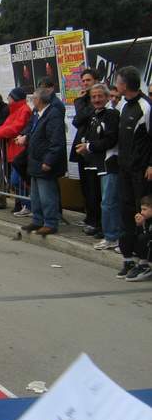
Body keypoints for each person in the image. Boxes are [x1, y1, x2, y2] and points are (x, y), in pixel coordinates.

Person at [114, 66, 152, 279]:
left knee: (142, 215)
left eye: (118, 82)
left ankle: (144, 261)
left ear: (125, 85)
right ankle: (128, 259)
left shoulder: (145, 107)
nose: (116, 85)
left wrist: (150, 165)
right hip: (124, 170)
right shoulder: (122, 105)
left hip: (141, 171)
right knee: (126, 213)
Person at [74, 83, 121, 251]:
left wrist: (89, 147)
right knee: (105, 202)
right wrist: (85, 146)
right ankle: (111, 236)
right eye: (93, 97)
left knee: (109, 203)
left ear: (107, 97)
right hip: (99, 164)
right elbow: (90, 135)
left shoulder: (112, 115)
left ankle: (113, 237)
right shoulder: (95, 115)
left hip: (111, 164)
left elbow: (110, 140)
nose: (97, 100)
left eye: (100, 96)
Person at [21, 87, 67, 235]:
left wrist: (49, 161)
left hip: (44, 161)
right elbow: (31, 129)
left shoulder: (53, 115)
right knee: (35, 195)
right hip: (34, 160)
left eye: (33, 98)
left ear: (39, 100)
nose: (32, 101)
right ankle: (37, 220)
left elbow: (56, 141)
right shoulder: (37, 113)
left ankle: (50, 222)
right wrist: (25, 137)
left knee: (47, 195)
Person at [70, 69, 102, 235]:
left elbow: (84, 116)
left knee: (94, 188)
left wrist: (86, 101)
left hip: (94, 149)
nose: (85, 83)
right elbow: (77, 120)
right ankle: (90, 216)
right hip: (82, 148)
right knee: (85, 186)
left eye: (88, 80)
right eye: (83, 81)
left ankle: (96, 220)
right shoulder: (82, 100)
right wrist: (82, 99)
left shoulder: (97, 100)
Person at [0, 88, 33, 216]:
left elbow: (15, 128)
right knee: (16, 181)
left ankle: (30, 205)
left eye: (9, 97)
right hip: (13, 150)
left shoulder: (24, 110)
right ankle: (26, 205)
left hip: (20, 150)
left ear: (15, 98)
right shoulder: (14, 110)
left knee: (18, 180)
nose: (8, 99)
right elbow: (6, 126)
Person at [122, 195, 152, 281]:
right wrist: (139, 225)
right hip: (145, 248)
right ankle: (128, 262)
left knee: (144, 238)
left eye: (145, 209)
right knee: (125, 236)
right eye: (141, 209)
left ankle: (144, 266)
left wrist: (144, 226)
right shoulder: (145, 218)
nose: (142, 212)